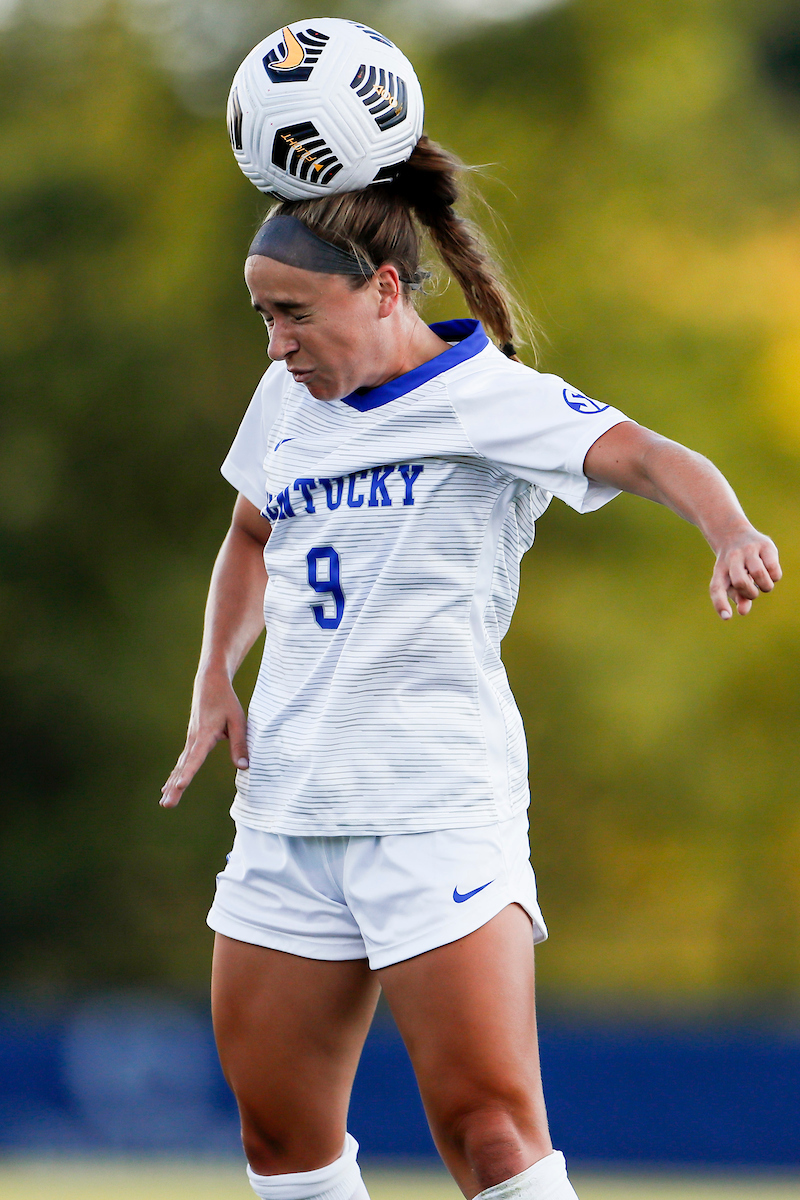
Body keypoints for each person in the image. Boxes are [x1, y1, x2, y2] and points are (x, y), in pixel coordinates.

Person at [160, 134, 781, 1200]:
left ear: (384, 288)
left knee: (491, 1136)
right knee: (281, 1142)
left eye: (294, 313)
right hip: (286, 811)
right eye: (262, 315)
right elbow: (251, 535)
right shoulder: (286, 401)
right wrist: (216, 672)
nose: (276, 343)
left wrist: (727, 529)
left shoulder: (488, 397)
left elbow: (649, 455)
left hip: (434, 810)